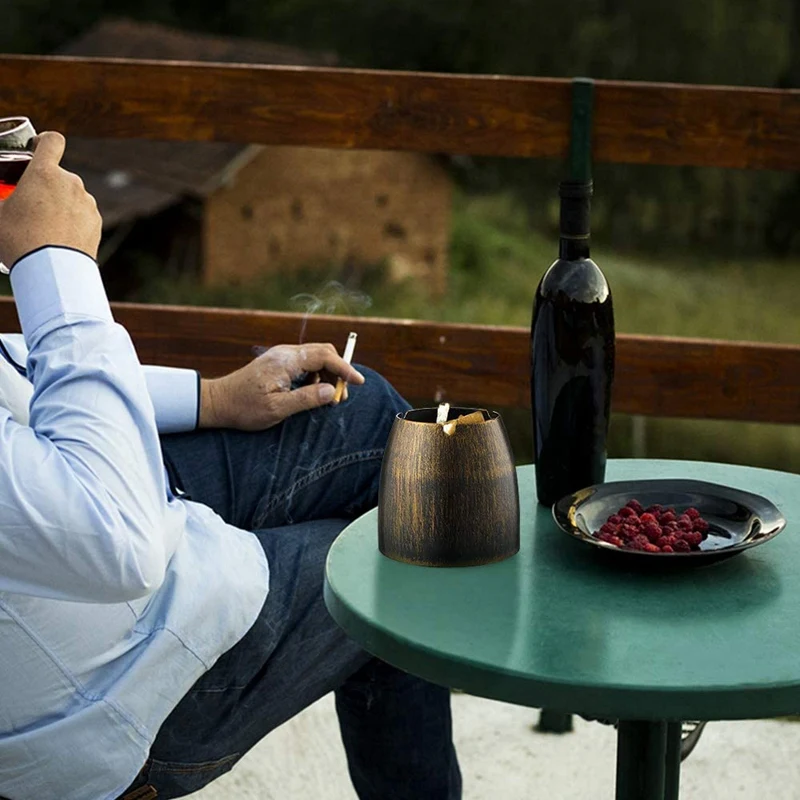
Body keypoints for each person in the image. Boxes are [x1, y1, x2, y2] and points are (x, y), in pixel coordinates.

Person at [0, 132, 462, 800]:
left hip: (71, 534)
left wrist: (216, 398)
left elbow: (15, 372)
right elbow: (117, 542)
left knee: (369, 421)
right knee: (403, 558)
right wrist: (54, 264)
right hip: (111, 693)